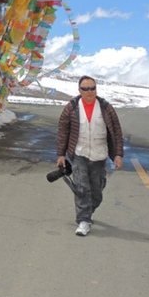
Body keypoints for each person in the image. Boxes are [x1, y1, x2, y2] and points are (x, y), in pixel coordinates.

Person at [55, 75, 124, 236]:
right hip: (79, 153)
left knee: (96, 193)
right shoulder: (71, 107)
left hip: (99, 155)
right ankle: (84, 221)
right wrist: (61, 154)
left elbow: (117, 132)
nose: (89, 91)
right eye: (86, 88)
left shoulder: (106, 108)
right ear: (79, 90)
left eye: (92, 88)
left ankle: (87, 210)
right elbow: (63, 131)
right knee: (81, 188)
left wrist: (118, 155)